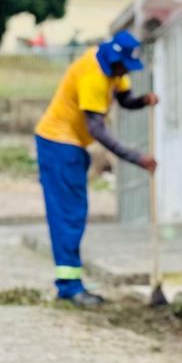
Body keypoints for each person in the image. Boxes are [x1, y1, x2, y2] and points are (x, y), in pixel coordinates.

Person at [33, 29, 158, 307]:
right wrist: (136, 158)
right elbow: (97, 129)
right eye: (124, 67)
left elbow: (125, 99)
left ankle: (71, 283)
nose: (126, 72)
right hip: (58, 144)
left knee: (75, 212)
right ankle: (69, 286)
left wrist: (143, 100)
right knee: (68, 214)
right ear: (115, 60)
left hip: (73, 145)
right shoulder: (92, 75)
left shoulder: (114, 68)